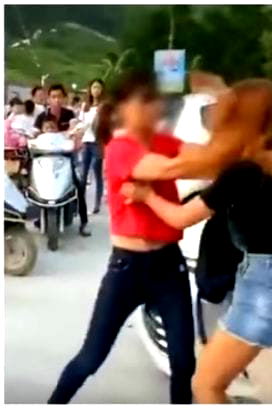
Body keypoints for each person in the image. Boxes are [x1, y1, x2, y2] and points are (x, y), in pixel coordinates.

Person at [119, 77, 272, 403]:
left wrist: (144, 194)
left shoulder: (243, 172)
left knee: (206, 385)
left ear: (235, 119)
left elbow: (180, 217)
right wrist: (224, 92)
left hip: (268, 289)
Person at [48, 72, 196, 404]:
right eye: (145, 100)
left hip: (169, 266)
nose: (155, 106)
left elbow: (198, 156)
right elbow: (165, 170)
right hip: (127, 269)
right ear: (125, 108)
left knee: (184, 362)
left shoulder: (166, 143)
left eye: (155, 99)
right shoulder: (120, 149)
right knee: (91, 358)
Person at [33, 84, 90, 236]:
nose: (57, 100)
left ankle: (84, 223)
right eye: (53, 97)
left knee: (79, 185)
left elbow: (76, 130)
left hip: (65, 158)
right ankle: (36, 215)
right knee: (31, 186)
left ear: (64, 98)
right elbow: (34, 134)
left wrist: (76, 134)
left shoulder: (69, 114)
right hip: (43, 159)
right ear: (49, 98)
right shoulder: (42, 116)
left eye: (59, 96)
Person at [79, 79, 106, 214]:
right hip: (86, 142)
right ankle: (81, 202)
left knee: (96, 173)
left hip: (98, 142)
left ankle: (96, 204)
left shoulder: (105, 106)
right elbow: (81, 123)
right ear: (90, 89)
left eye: (98, 87)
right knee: (83, 174)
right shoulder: (85, 106)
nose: (96, 90)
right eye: (94, 87)